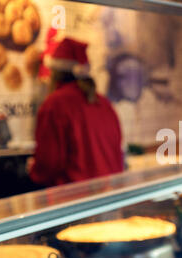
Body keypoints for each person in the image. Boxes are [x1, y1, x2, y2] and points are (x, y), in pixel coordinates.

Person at [28, 37, 124, 187]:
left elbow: (49, 162)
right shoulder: (103, 103)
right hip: (109, 197)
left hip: (74, 199)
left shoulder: (54, 105)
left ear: (55, 72)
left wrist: (34, 169)